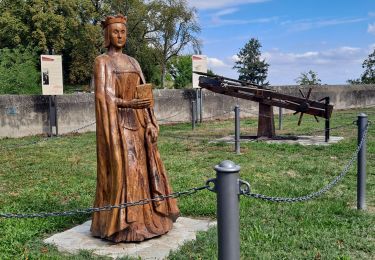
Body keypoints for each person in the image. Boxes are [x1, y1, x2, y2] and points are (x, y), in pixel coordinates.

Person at [91, 14, 179, 242]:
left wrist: (151, 121)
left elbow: (145, 94)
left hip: (139, 125)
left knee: (143, 171)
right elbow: (104, 98)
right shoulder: (103, 61)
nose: (120, 36)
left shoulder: (133, 62)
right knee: (128, 171)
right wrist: (128, 104)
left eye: (123, 32)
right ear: (107, 35)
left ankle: (146, 219)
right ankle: (126, 223)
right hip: (120, 127)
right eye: (115, 32)